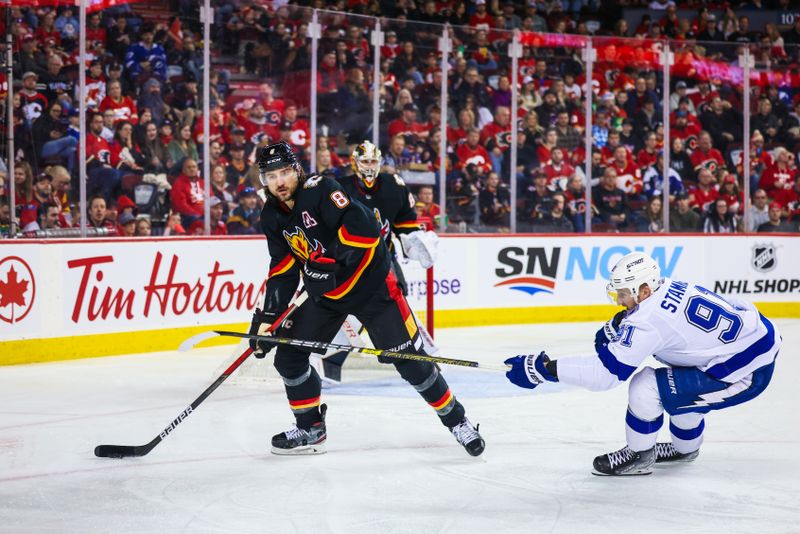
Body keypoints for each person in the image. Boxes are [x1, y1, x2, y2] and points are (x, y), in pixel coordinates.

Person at [249, 141, 484, 456]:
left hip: (373, 288)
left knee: (411, 363)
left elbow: (365, 228)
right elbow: (282, 269)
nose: (279, 182)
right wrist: (267, 318)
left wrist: (332, 261)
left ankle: (458, 421)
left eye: (285, 172)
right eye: (271, 175)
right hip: (328, 296)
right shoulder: (271, 216)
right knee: (288, 357)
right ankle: (310, 427)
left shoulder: (321, 189)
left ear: (297, 170)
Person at [505, 252, 782, 476]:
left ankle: (640, 455)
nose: (619, 300)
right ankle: (685, 450)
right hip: (750, 347)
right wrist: (622, 323)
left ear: (645, 290)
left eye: (624, 294)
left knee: (646, 387)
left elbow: (607, 374)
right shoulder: (669, 285)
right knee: (680, 394)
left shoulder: (648, 320)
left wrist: (543, 369)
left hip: (743, 373)